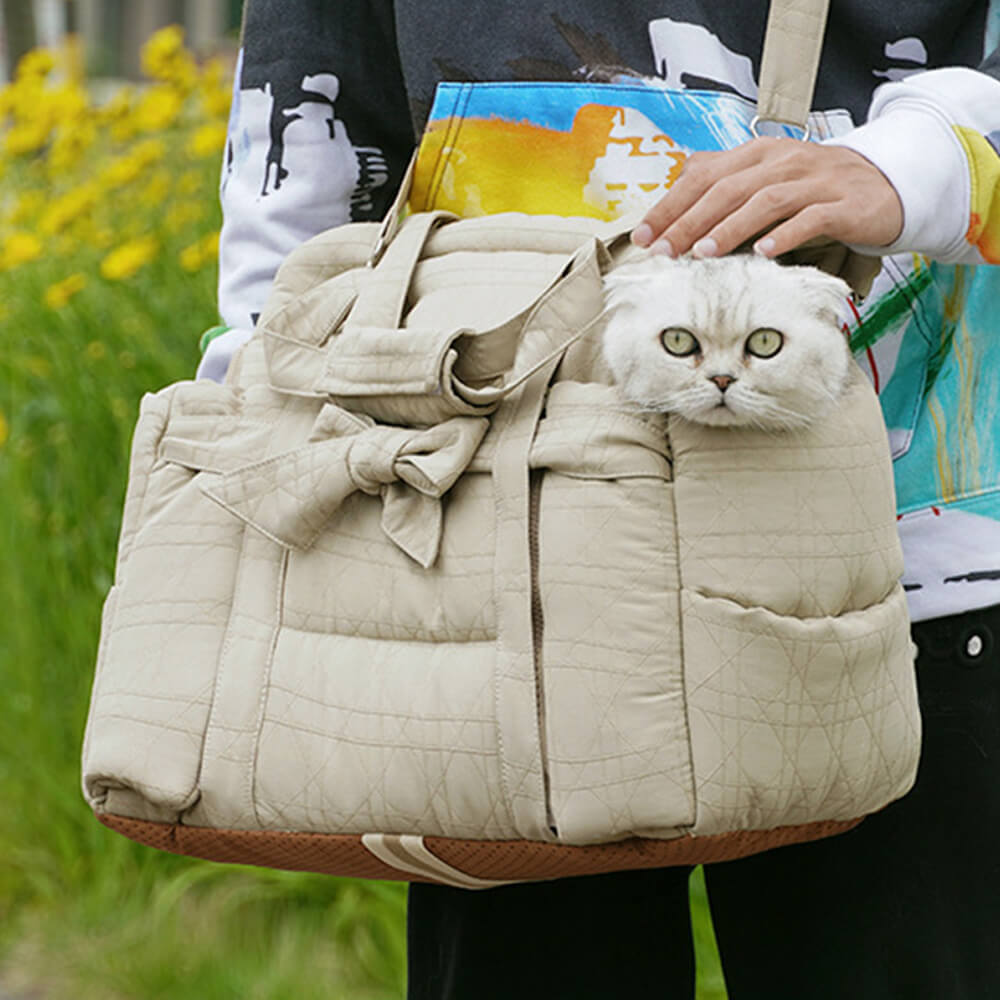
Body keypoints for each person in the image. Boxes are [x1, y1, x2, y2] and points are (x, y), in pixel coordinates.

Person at [203, 2, 1000, 996]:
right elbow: (309, 149)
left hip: (898, 557)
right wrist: (262, 419)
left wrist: (918, 161)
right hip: (494, 526)